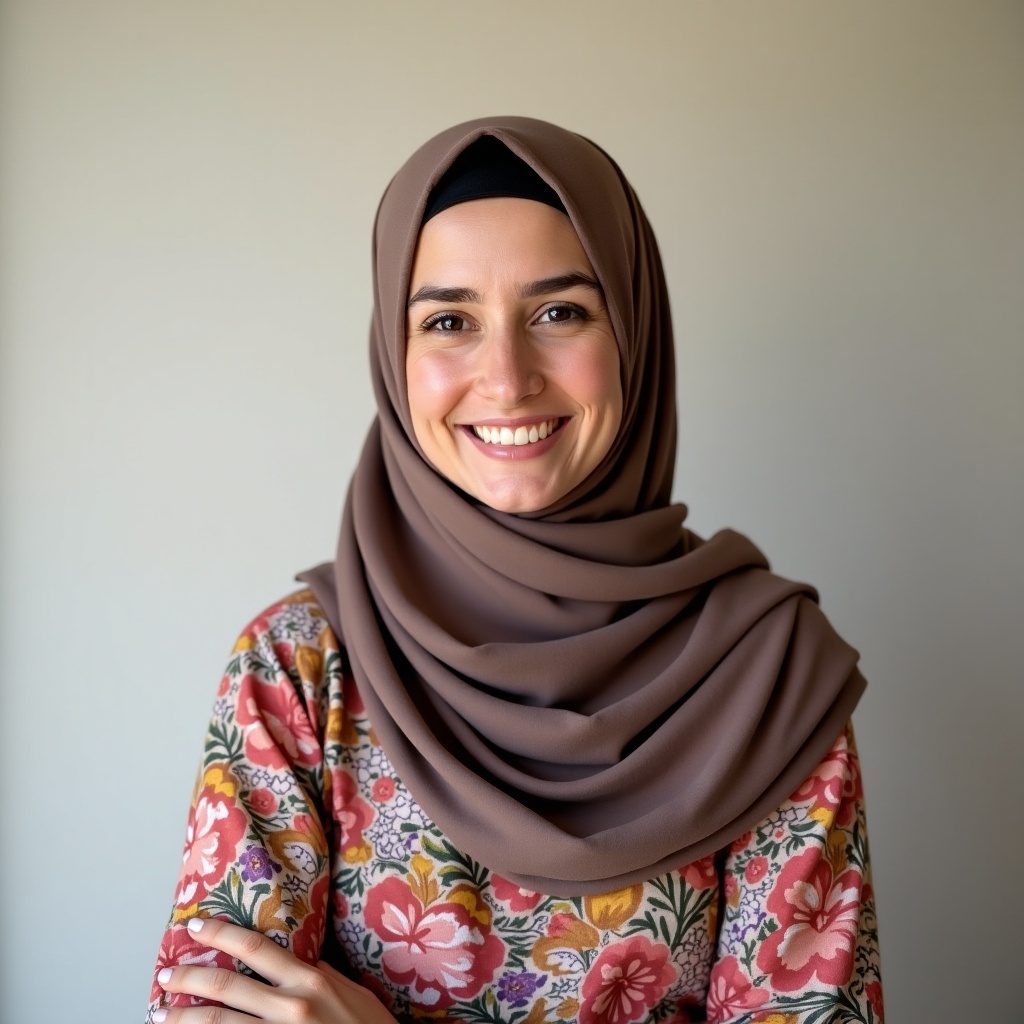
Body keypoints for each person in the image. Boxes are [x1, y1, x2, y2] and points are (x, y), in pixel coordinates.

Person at [147, 117, 883, 1024]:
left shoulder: (770, 680)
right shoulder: (299, 673)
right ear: (394, 356)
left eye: (560, 312)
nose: (505, 377)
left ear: (635, 336)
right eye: (449, 321)